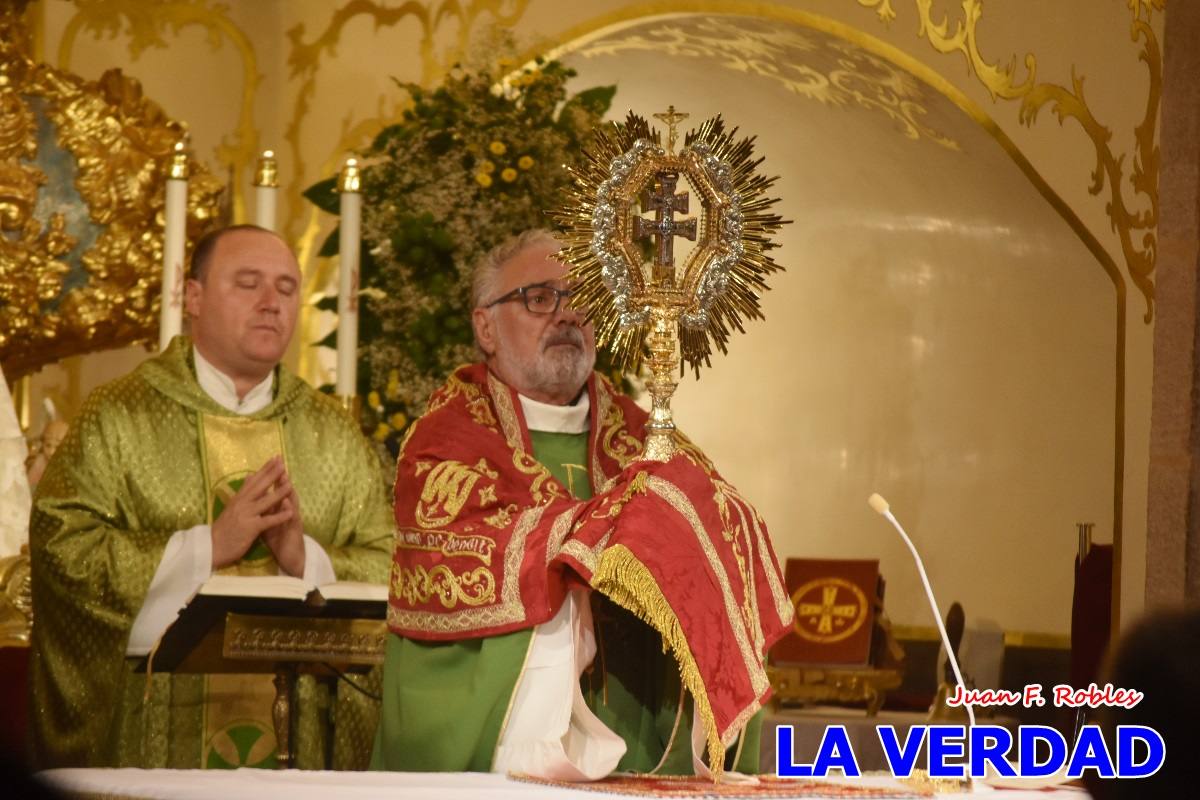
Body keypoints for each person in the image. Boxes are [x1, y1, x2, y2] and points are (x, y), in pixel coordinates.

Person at [371, 230, 793, 779]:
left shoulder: (647, 438)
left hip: (647, 738)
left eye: (584, 296)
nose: (567, 315)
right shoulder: (447, 438)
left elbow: (722, 528)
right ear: (485, 326)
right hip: (513, 753)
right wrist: (618, 532)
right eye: (540, 297)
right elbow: (467, 554)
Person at [29, 224, 395, 769]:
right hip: (152, 731)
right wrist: (208, 547)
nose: (272, 304)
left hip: (298, 736)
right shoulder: (120, 415)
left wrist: (305, 559)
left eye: (287, 288)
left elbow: (395, 569)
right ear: (192, 297)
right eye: (248, 284)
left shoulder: (334, 436)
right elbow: (62, 551)